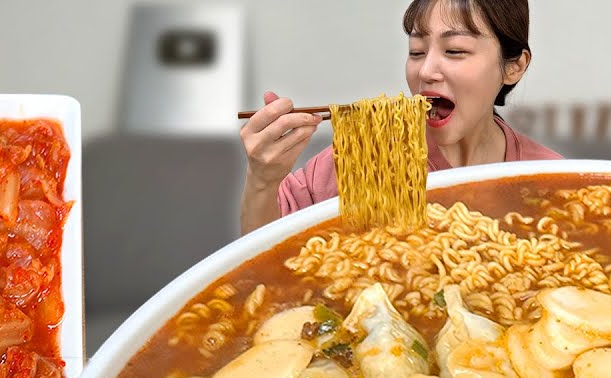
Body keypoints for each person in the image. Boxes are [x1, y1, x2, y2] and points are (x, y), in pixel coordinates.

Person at [238, 0, 561, 234]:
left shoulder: (553, 180)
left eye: (455, 51)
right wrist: (264, 180)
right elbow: (263, 261)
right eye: (417, 52)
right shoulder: (360, 157)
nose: (426, 71)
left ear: (514, 66)